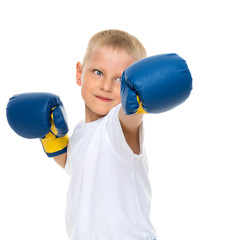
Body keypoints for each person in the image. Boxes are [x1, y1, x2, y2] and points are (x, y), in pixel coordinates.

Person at [6, 29, 192, 240]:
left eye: (119, 79)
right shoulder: (80, 131)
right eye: (97, 72)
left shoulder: (118, 125)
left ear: (133, 86)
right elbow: (75, 165)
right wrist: (52, 139)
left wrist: (140, 103)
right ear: (79, 73)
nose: (106, 86)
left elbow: (130, 117)